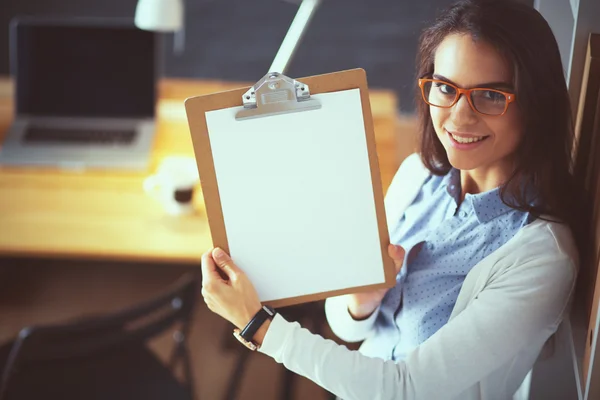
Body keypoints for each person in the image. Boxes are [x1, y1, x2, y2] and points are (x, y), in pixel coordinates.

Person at [199, 0, 585, 398]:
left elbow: (407, 388)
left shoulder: (542, 258)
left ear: (537, 104)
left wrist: (257, 324)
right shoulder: (417, 176)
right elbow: (346, 325)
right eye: (445, 88)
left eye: (489, 96)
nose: (458, 117)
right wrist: (363, 300)